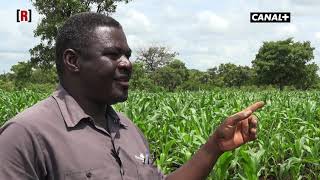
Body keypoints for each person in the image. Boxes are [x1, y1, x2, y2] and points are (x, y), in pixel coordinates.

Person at [0, 12, 264, 180]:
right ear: (73, 61)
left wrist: (214, 147)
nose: (127, 63)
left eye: (127, 55)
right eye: (113, 55)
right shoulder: (25, 135)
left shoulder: (128, 130)